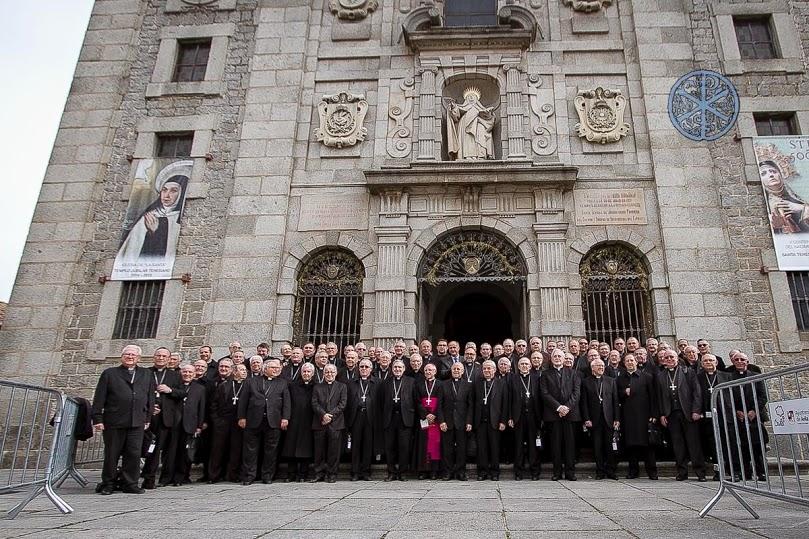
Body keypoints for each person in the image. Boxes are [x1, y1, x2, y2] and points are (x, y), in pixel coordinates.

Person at [91, 345, 155, 495]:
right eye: (127, 354)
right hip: (114, 420)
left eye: (133, 355)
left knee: (133, 453)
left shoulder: (146, 374)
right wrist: (97, 418)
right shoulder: (110, 374)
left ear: (139, 358)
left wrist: (148, 417)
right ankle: (109, 482)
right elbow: (100, 397)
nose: (130, 357)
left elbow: (149, 397)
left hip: (137, 420)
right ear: (122, 356)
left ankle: (130, 483)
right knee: (112, 453)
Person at [116, 163, 189, 265]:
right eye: (164, 190)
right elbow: (131, 252)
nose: (167, 195)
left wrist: (155, 232)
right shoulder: (148, 216)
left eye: (173, 191)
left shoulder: (179, 219)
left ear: (181, 193)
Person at [237, 358, 290, 485]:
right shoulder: (251, 382)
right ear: (265, 369)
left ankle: (267, 475)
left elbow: (286, 402)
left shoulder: (282, 383)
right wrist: (241, 417)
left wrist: (285, 418)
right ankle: (249, 475)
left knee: (271, 450)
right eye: (273, 368)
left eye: (278, 368)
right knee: (250, 450)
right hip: (253, 420)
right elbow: (243, 401)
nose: (276, 370)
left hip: (273, 420)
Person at [657, 349, 706, 481]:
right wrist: (662, 414)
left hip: (688, 412)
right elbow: (660, 397)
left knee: (693, 443)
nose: (669, 359)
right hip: (671, 414)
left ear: (677, 359)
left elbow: (697, 392)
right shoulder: (661, 375)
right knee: (677, 444)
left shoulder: (687, 372)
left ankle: (700, 472)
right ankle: (682, 472)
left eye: (671, 357)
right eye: (666, 358)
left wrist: (696, 410)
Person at [141, 347, 180, 490]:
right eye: (159, 355)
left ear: (169, 359)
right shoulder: (145, 373)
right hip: (146, 416)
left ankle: (149, 479)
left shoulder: (175, 375)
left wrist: (170, 390)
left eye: (164, 356)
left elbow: (182, 393)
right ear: (154, 357)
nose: (161, 358)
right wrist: (150, 408)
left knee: (156, 449)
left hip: (164, 418)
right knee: (141, 448)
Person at [540, 348, 581, 481]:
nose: (557, 358)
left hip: (570, 414)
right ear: (551, 359)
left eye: (560, 356)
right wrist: (558, 407)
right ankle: (557, 472)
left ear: (564, 359)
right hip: (553, 415)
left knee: (570, 445)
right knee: (555, 445)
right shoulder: (545, 374)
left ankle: (570, 473)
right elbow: (545, 393)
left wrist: (567, 407)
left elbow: (576, 393)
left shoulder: (574, 373)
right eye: (555, 356)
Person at [617, 353, 659, 480]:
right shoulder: (620, 378)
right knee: (631, 445)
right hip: (628, 416)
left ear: (636, 362)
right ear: (624, 363)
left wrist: (653, 414)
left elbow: (653, 397)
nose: (630, 362)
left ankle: (652, 471)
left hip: (644, 415)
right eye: (627, 361)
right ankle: (633, 471)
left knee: (648, 445)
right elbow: (616, 396)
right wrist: (624, 392)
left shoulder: (647, 377)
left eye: (632, 360)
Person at [729, 353, 768, 481]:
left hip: (755, 417)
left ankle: (761, 471)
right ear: (733, 362)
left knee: (757, 445)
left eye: (742, 359)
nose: (739, 361)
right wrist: (736, 411)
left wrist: (753, 411)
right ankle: (745, 472)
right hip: (738, 417)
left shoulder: (756, 376)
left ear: (747, 361)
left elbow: (762, 396)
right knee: (742, 446)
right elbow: (727, 397)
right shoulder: (730, 377)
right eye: (736, 360)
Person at [581, 359, 620, 480]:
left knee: (609, 446)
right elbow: (584, 402)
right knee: (597, 447)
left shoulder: (610, 381)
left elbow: (615, 401)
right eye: (599, 366)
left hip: (608, 418)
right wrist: (586, 418)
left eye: (603, 366)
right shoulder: (586, 382)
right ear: (592, 368)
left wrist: (617, 418)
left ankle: (611, 470)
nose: (601, 368)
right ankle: (600, 471)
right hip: (594, 419)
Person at [310, 364, 347, 484]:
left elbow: (343, 403)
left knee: (334, 451)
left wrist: (330, 415)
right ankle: (319, 473)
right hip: (320, 422)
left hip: (335, 423)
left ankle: (332, 474)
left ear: (336, 373)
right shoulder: (317, 387)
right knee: (319, 450)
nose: (329, 374)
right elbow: (314, 403)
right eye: (327, 372)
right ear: (323, 373)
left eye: (332, 372)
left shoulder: (342, 386)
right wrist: (323, 415)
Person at [697, 353, 731, 481]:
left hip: (724, 415)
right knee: (712, 445)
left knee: (727, 443)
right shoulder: (698, 377)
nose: (709, 362)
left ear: (716, 362)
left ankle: (731, 470)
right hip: (707, 416)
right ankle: (718, 471)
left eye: (711, 360)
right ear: (702, 363)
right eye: (705, 361)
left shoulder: (726, 376)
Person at [171, 364, 206, 486]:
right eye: (185, 372)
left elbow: (201, 408)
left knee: (186, 453)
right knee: (172, 451)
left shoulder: (199, 388)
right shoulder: (175, 386)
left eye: (190, 372)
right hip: (174, 424)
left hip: (190, 424)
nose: (187, 374)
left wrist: (199, 426)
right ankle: (168, 477)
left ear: (194, 374)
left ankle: (182, 476)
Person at [437, 362, 473, 481]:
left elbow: (470, 405)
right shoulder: (443, 385)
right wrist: (441, 421)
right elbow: (439, 405)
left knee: (462, 449)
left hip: (462, 423)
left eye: (459, 369)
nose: (456, 370)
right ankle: (448, 472)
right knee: (447, 449)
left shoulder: (468, 385)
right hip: (447, 422)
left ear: (463, 371)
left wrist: (469, 421)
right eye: (454, 369)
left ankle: (461, 472)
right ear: (451, 371)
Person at [508, 357, 542, 480]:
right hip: (518, 416)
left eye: (526, 364)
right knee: (518, 445)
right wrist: (510, 416)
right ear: (518, 366)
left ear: (530, 365)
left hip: (533, 416)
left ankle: (535, 471)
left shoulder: (536, 378)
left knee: (534, 445)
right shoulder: (513, 378)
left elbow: (541, 398)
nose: (524, 366)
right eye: (521, 364)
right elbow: (509, 398)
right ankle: (518, 472)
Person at [345, 358, 380, 481]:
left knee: (367, 445)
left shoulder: (378, 383)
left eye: (366, 367)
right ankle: (354, 472)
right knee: (355, 445)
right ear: (358, 369)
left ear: (371, 369)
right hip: (356, 416)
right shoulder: (351, 383)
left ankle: (365, 472)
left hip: (370, 417)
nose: (364, 369)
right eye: (361, 367)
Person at [473, 360, 507, 481]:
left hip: (495, 421)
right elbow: (472, 403)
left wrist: (503, 421)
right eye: (485, 369)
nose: (487, 371)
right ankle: (482, 472)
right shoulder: (477, 383)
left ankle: (495, 472)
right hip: (480, 421)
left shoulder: (501, 383)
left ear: (494, 370)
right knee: (481, 448)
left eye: (489, 368)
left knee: (494, 447)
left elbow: (505, 403)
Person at [382, 360, 416, 481]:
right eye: (395, 367)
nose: (397, 369)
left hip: (405, 419)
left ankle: (402, 472)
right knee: (390, 447)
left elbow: (415, 400)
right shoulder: (386, 382)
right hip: (389, 419)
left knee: (404, 446)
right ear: (392, 368)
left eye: (399, 367)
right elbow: (381, 401)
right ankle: (391, 472)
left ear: (404, 369)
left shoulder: (411, 382)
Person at [282, 363, 315, 482]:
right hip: (294, 419)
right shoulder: (292, 386)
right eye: (304, 371)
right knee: (291, 447)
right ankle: (291, 473)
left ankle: (303, 474)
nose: (306, 374)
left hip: (308, 420)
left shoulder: (316, 386)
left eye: (308, 372)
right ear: (301, 373)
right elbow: (287, 402)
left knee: (306, 448)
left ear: (313, 373)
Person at [206, 358, 236, 483]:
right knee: (217, 449)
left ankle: (230, 475)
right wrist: (216, 420)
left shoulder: (236, 383)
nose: (223, 369)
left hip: (235, 422)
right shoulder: (213, 382)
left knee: (233, 449)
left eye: (226, 367)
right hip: (220, 421)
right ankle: (213, 476)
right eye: (221, 366)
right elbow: (213, 404)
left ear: (232, 369)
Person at [446, 86, 495, 160]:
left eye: (473, 96)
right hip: (464, 127)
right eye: (469, 97)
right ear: (466, 99)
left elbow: (489, 119)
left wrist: (489, 113)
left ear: (476, 99)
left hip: (477, 128)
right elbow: (455, 116)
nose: (471, 98)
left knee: (478, 138)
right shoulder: (461, 108)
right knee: (467, 141)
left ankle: (479, 155)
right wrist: (452, 107)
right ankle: (466, 156)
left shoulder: (481, 109)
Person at [414, 363, 442, 479]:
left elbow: (441, 401)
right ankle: (423, 470)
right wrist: (426, 414)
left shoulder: (440, 384)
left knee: (435, 444)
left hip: (436, 419)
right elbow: (417, 401)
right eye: (426, 370)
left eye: (431, 370)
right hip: (423, 418)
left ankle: (434, 471)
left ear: (435, 372)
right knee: (423, 443)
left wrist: (434, 414)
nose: (428, 372)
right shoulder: (419, 384)